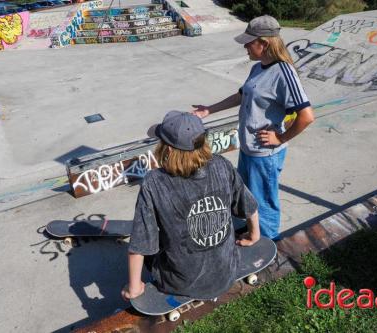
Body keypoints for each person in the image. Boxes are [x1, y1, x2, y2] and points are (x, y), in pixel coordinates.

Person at [192, 15, 315, 241]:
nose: (246, 47)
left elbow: (306, 116)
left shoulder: (284, 73)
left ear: (264, 43)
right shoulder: (258, 68)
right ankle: (254, 232)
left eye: (249, 43)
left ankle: (268, 244)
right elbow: (242, 94)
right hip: (249, 149)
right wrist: (209, 109)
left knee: (263, 201)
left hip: (265, 154)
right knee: (247, 196)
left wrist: (281, 137)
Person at [121, 111, 260, 300]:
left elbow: (141, 244)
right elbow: (249, 206)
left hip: (181, 283)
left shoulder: (154, 182)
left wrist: (134, 288)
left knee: (154, 247)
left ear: (168, 150)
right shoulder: (221, 165)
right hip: (227, 271)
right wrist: (254, 235)